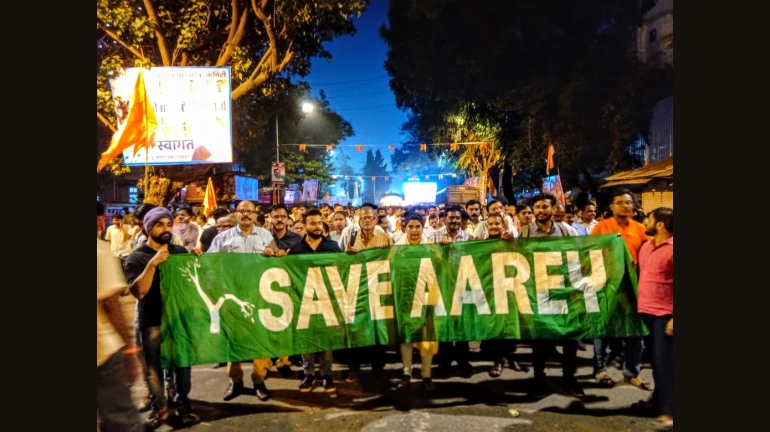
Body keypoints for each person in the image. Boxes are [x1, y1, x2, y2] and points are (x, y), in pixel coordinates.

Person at [124, 207, 201, 428]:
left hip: (178, 320)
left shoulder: (179, 252)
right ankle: (160, 410)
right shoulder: (137, 257)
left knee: (182, 366)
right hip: (152, 321)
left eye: (168, 224)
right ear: (148, 229)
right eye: (160, 225)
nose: (166, 229)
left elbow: (192, 281)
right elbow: (139, 292)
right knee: (154, 369)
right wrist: (153, 264)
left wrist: (197, 260)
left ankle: (182, 404)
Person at [208, 200, 291, 402]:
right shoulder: (222, 238)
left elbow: (275, 263)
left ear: (255, 215)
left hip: (259, 295)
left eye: (250, 211)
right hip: (232, 296)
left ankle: (259, 380)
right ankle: (235, 381)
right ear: (235, 214)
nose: (246, 214)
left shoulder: (265, 236)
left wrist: (275, 255)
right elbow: (209, 263)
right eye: (242, 211)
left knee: (259, 340)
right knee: (232, 340)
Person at [518, 193, 584, 398]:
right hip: (538, 294)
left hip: (564, 292)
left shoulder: (567, 231)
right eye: (537, 207)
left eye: (544, 206)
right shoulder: (525, 232)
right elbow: (517, 258)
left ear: (553, 208)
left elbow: (580, 255)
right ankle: (539, 379)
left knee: (570, 338)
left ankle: (569, 379)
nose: (540, 210)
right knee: (539, 339)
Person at [590, 189, 653, 391]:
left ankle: (632, 373)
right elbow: (589, 254)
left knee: (635, 331)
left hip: (632, 287)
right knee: (603, 329)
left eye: (628, 203)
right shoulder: (601, 228)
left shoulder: (640, 229)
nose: (625, 206)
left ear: (633, 207)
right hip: (606, 285)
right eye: (620, 202)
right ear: (611, 206)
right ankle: (600, 370)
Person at [97, 202, 144, 432]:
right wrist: (130, 351)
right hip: (102, 353)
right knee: (121, 420)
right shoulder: (99, 252)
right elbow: (111, 305)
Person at [290, 209, 342, 398]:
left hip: (327, 300)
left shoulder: (333, 247)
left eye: (320, 223)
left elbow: (343, 268)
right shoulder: (295, 249)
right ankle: (309, 374)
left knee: (327, 340)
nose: (317, 226)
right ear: (304, 226)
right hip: (304, 300)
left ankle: (326, 374)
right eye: (312, 223)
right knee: (306, 340)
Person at [638, 208, 674, 431]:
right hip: (646, 313)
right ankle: (658, 402)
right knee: (655, 363)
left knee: (666, 365)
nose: (645, 222)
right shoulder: (646, 247)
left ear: (660, 224)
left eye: (649, 219)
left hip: (665, 316)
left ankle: (669, 413)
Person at [395, 213, 439, 392]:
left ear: (423, 228)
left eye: (417, 227)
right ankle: (407, 373)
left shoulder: (431, 249)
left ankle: (426, 374)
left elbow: (441, 267)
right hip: (405, 299)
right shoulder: (396, 249)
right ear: (404, 228)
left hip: (427, 299)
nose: (414, 230)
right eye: (410, 227)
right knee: (406, 337)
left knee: (427, 339)